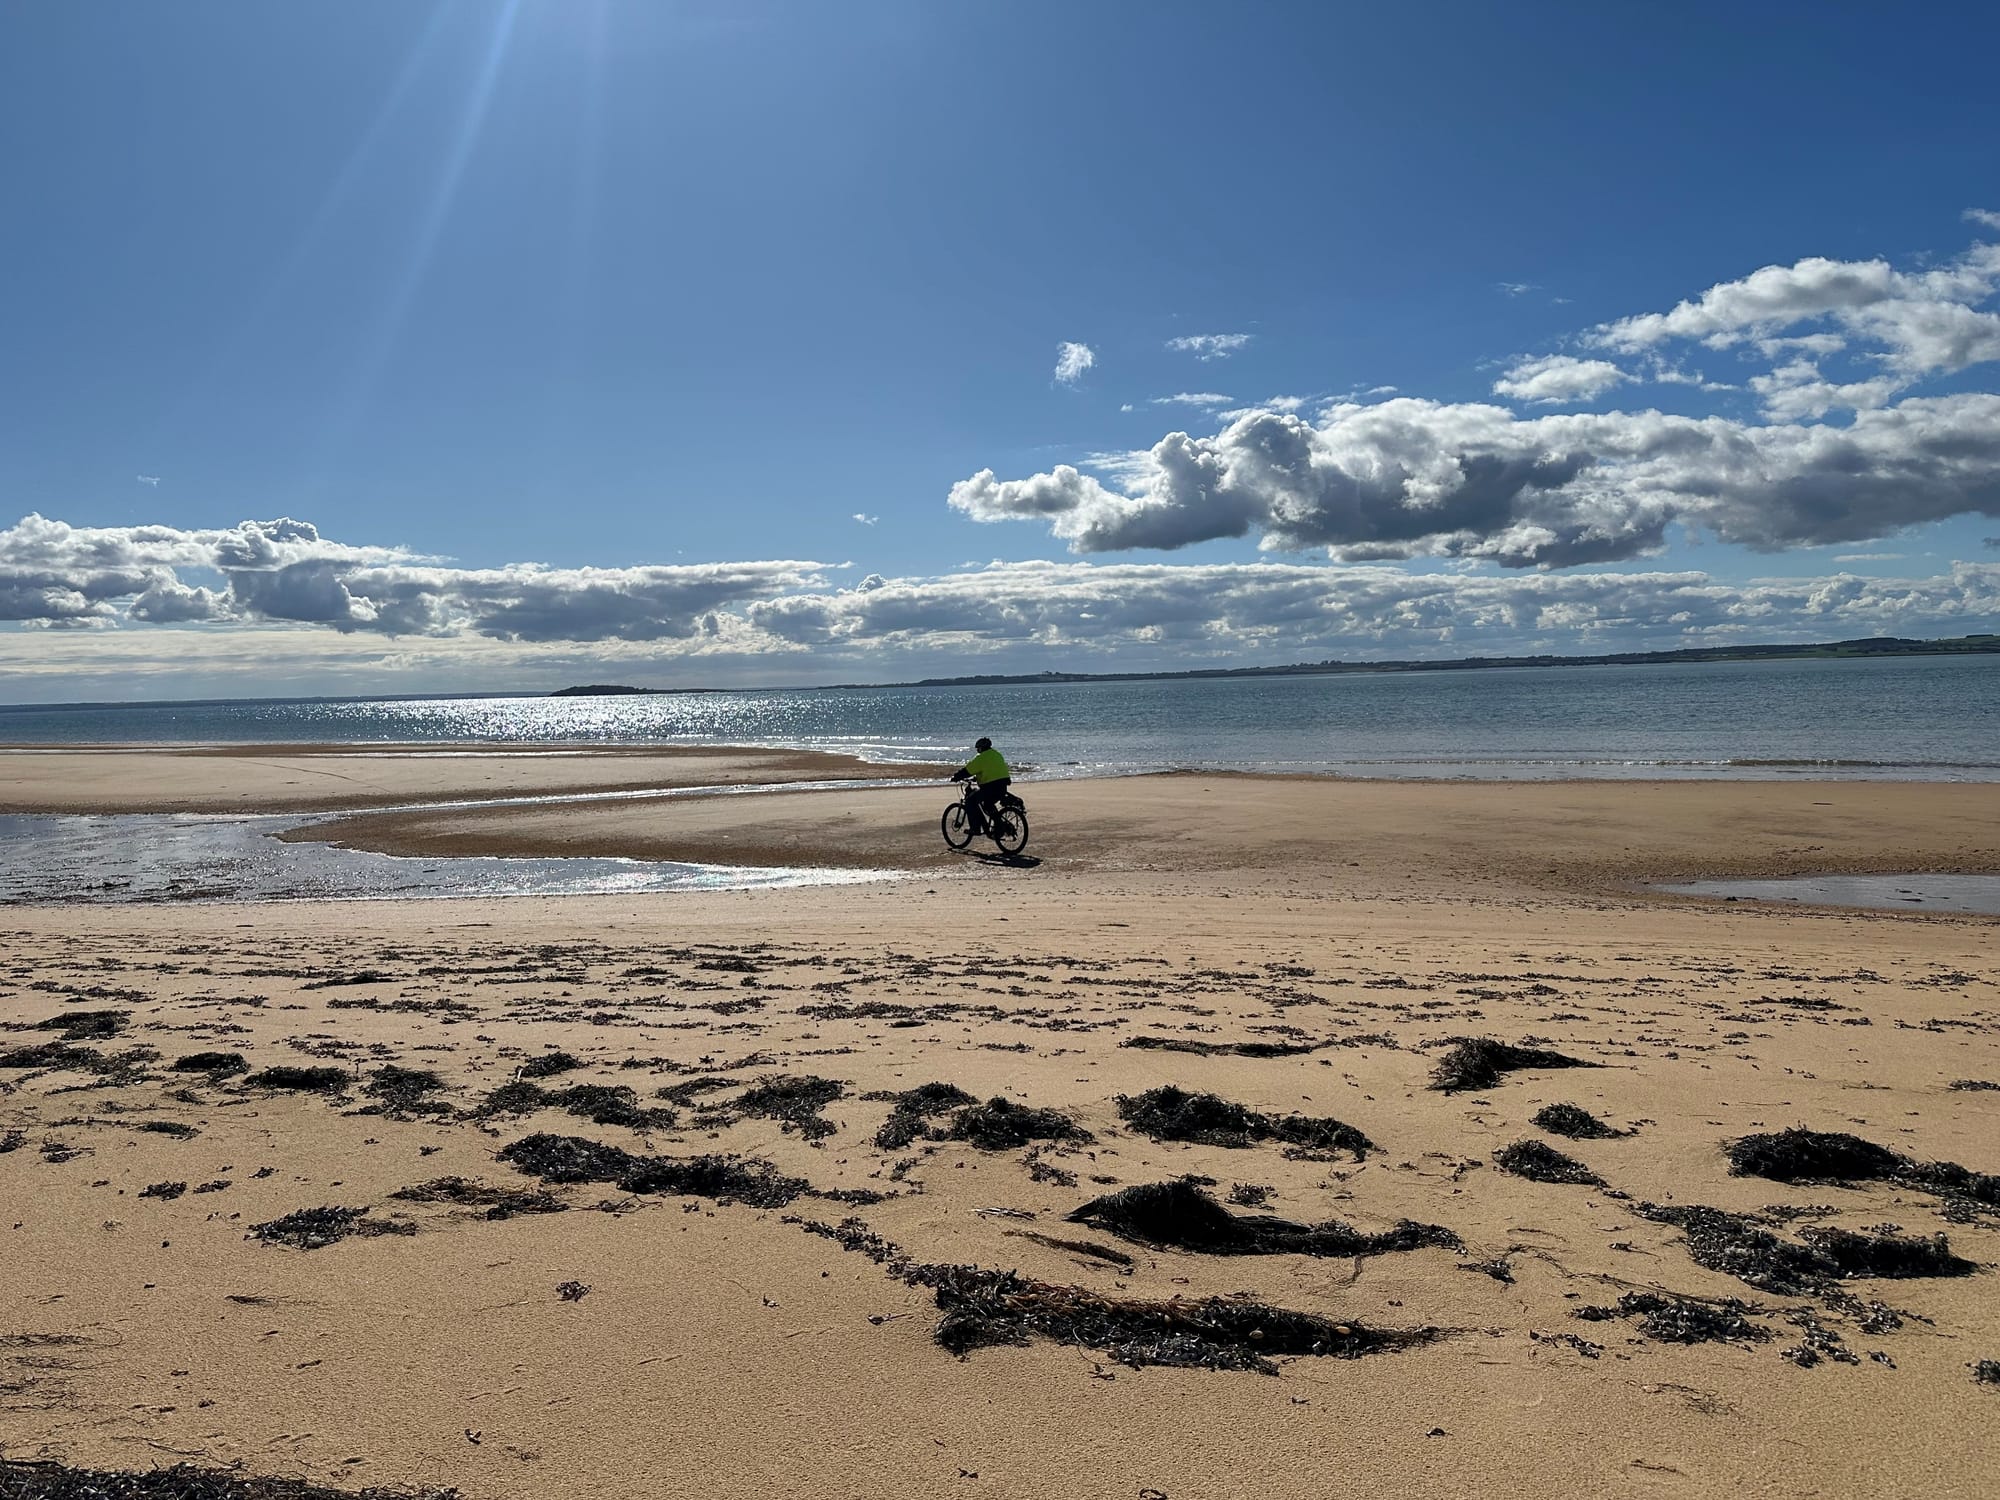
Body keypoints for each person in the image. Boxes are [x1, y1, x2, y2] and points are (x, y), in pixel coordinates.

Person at [950, 736, 1012, 833]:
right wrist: (976, 778)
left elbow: (967, 770)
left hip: (990, 789)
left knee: (970, 801)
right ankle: (999, 826)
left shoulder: (981, 757)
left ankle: (975, 828)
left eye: (978, 749)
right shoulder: (997, 754)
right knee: (988, 805)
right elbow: (991, 771)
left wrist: (956, 777)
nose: (978, 751)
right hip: (1002, 787)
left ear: (981, 748)